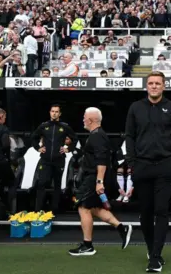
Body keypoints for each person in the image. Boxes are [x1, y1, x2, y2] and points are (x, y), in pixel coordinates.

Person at [125, 71, 171, 273]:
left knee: (161, 211)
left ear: (163, 86)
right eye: (150, 83)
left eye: (157, 83)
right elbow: (130, 136)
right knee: (145, 214)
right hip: (141, 167)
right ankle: (152, 250)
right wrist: (132, 162)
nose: (153, 86)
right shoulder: (135, 107)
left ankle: (155, 257)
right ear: (146, 86)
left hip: (165, 166)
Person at [68, 107, 133, 256]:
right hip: (95, 177)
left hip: (94, 177)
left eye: (84, 117)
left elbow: (102, 161)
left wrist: (99, 181)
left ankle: (87, 246)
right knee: (93, 208)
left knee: (83, 208)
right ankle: (121, 228)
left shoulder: (97, 136)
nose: (83, 119)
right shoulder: (97, 135)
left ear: (90, 120)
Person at [31, 104, 78, 213]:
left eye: (56, 112)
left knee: (57, 184)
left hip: (59, 160)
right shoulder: (44, 126)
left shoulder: (64, 126)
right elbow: (33, 138)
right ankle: (38, 210)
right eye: (52, 111)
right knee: (42, 183)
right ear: (50, 112)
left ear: (59, 114)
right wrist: (38, 148)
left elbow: (75, 139)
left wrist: (68, 149)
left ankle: (54, 210)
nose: (54, 113)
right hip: (45, 160)